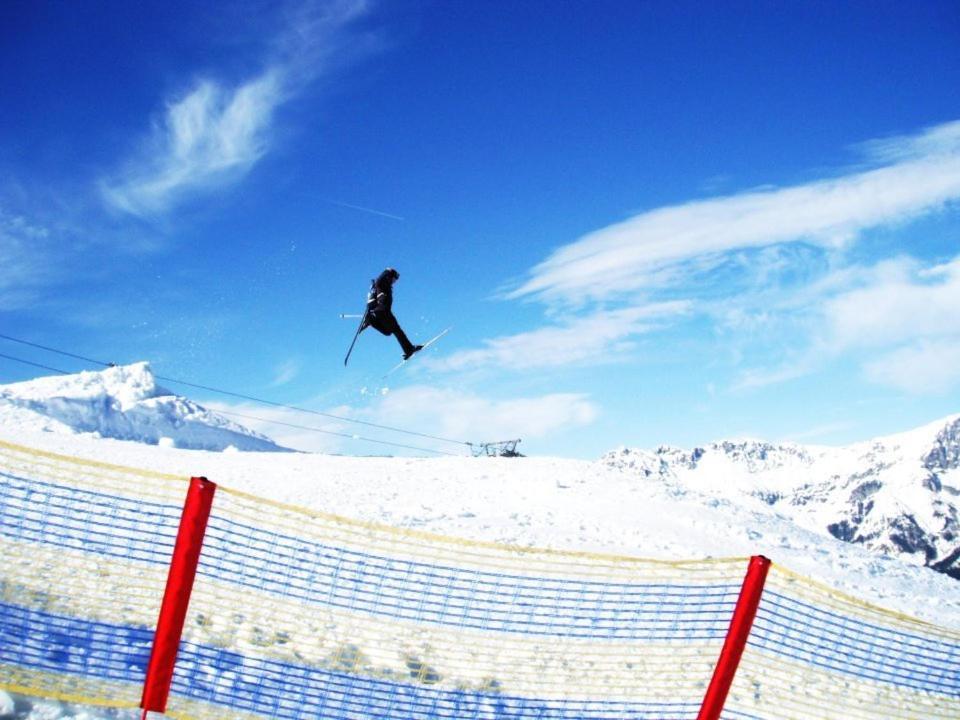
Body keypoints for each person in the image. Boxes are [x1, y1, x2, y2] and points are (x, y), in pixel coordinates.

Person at [363, 268, 423, 359]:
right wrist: (387, 270)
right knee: (397, 330)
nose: (395, 281)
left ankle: (371, 321)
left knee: (388, 332)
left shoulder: (384, 285)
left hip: (381, 312)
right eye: (395, 278)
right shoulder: (382, 283)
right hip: (383, 311)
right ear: (390, 276)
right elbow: (379, 279)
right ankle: (409, 349)